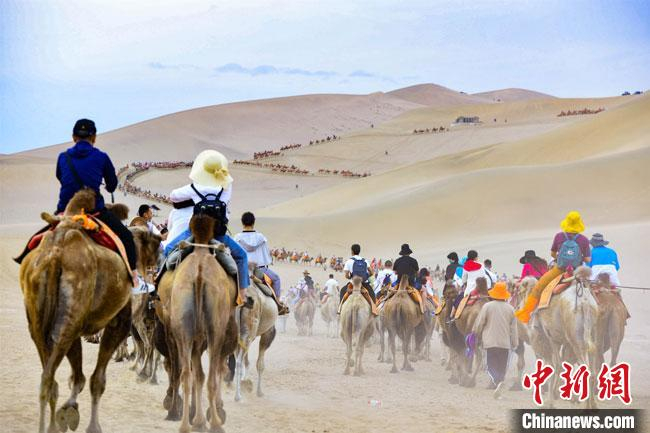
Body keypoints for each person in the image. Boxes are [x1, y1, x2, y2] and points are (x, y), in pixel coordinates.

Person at [20, 119, 142, 288]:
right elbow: (112, 186)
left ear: (73, 137)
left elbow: (60, 177)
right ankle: (135, 280)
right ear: (94, 138)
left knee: (34, 242)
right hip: (94, 211)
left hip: (66, 211)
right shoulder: (102, 157)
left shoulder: (63, 157)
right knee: (127, 237)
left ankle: (24, 266)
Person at [162, 149, 250, 304]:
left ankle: (157, 285)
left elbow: (173, 196)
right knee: (241, 256)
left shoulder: (195, 188)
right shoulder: (226, 187)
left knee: (167, 249)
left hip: (194, 233)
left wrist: (192, 197)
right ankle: (243, 294)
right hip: (218, 235)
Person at [515, 211, 591, 323]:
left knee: (539, 287)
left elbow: (553, 254)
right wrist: (578, 258)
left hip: (559, 269)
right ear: (579, 223)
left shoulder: (559, 236)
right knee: (594, 289)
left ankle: (525, 314)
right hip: (578, 271)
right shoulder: (584, 239)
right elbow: (588, 259)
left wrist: (560, 257)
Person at [234, 211, 288, 314]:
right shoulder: (261, 238)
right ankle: (278, 305)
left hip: (241, 269)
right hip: (260, 269)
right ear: (253, 222)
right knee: (276, 279)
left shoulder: (237, 238)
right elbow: (266, 255)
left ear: (242, 223)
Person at [473, 282, 518, 399]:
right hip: (505, 343)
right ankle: (499, 382)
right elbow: (513, 328)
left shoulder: (487, 306)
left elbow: (480, 323)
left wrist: (476, 334)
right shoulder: (511, 309)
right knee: (502, 365)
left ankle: (496, 381)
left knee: (491, 365)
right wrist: (515, 342)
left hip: (490, 342)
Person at [339, 244, 377, 315]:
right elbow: (372, 272)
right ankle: (374, 310)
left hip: (353, 284)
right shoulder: (365, 260)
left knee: (342, 291)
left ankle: (340, 310)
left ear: (352, 251)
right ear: (359, 251)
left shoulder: (349, 261)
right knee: (372, 294)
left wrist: (350, 277)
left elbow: (346, 275)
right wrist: (365, 277)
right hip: (364, 284)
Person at [392, 243, 424, 313]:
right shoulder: (414, 261)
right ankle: (423, 308)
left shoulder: (397, 260)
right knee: (423, 289)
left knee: (389, 289)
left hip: (399, 283)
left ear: (402, 253)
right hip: (411, 283)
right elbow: (417, 272)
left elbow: (395, 272)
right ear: (409, 253)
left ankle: (380, 306)